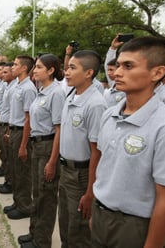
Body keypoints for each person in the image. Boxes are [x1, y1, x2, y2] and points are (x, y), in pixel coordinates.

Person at [92, 36, 165, 247]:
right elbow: (104, 167)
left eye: (128, 66)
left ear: (157, 73)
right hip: (101, 215)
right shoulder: (110, 115)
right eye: (117, 65)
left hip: (134, 226)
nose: (117, 73)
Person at [59, 50, 107, 248]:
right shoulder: (72, 95)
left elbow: (97, 151)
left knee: (79, 231)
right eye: (67, 67)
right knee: (65, 223)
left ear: (89, 73)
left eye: (72, 68)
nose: (67, 72)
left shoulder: (95, 104)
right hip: (66, 171)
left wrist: (90, 192)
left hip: (82, 175)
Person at [19, 54, 66, 248]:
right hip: (37, 145)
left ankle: (42, 241)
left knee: (46, 196)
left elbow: (59, 129)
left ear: (51, 70)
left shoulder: (56, 93)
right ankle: (34, 232)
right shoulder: (42, 90)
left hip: (48, 146)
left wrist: (52, 161)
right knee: (37, 192)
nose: (34, 70)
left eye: (38, 67)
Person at [4, 55, 37, 220]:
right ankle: (17, 202)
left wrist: (24, 145)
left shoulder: (28, 88)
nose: (12, 67)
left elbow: (28, 118)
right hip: (14, 131)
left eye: (15, 65)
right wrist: (9, 130)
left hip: (22, 132)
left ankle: (25, 206)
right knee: (15, 170)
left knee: (23, 172)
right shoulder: (18, 85)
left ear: (24, 68)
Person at [0, 63, 17, 195]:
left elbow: (13, 112)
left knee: (11, 157)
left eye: (5, 72)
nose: (2, 74)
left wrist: (9, 130)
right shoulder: (8, 85)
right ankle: (8, 179)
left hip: (9, 126)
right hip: (3, 122)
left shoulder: (16, 87)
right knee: (5, 153)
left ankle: (10, 182)